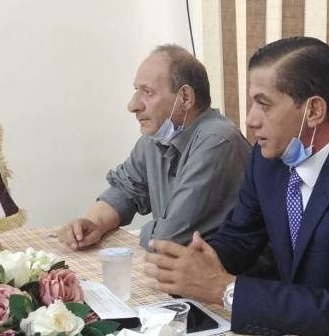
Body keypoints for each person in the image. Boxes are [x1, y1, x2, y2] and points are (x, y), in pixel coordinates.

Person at [144, 37, 329, 336]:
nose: (250, 119)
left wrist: (225, 289)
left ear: (314, 110)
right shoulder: (267, 161)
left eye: (264, 104)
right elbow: (240, 237)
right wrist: (201, 262)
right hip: (288, 332)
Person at [58, 45, 250, 250]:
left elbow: (168, 238)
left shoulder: (217, 140)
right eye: (136, 91)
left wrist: (141, 234)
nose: (132, 105)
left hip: (229, 270)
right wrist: (93, 223)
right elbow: (125, 190)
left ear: (185, 97)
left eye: (147, 92)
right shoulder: (156, 138)